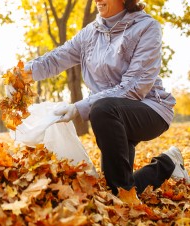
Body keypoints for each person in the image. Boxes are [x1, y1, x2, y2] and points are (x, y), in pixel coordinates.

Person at [24, 0, 189, 195]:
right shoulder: (90, 33)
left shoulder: (146, 27)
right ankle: (167, 163)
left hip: (150, 109)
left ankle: (127, 196)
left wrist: (79, 107)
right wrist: (23, 73)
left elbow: (135, 86)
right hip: (110, 114)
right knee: (116, 188)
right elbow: (57, 58)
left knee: (101, 109)